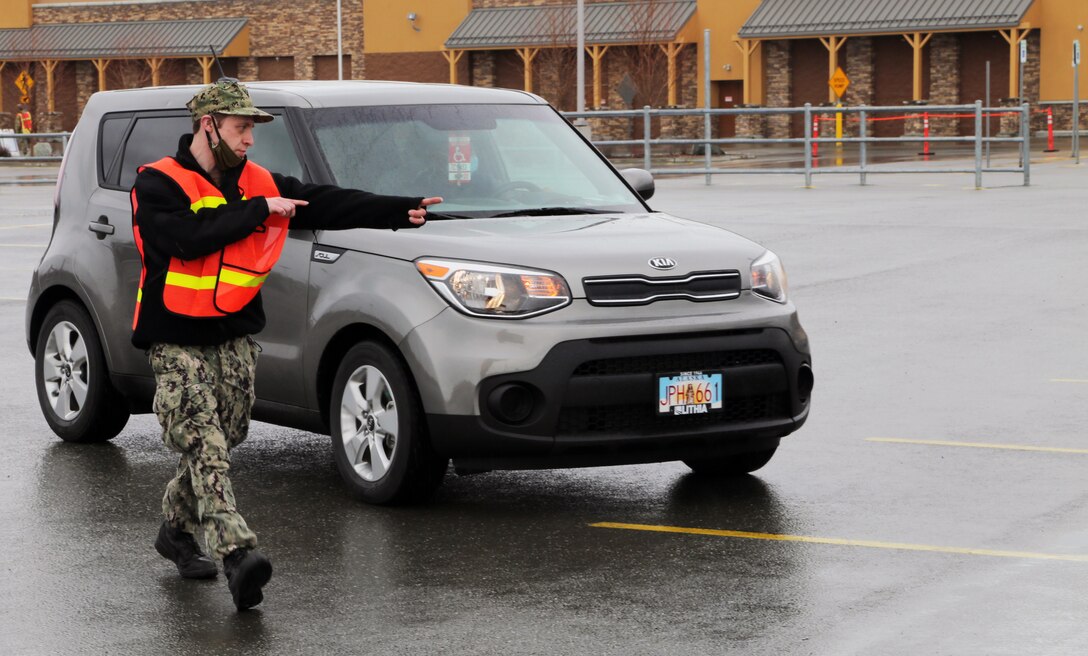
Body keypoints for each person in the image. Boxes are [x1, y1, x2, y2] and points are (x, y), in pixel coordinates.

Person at [131, 79, 441, 611]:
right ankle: (237, 554)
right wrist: (260, 211)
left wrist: (396, 208)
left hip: (233, 336)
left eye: (252, 129)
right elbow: (186, 237)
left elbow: (319, 202)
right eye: (241, 128)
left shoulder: (257, 181)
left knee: (225, 438)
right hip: (175, 338)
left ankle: (174, 531)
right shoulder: (157, 182)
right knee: (203, 441)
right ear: (209, 126)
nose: (251, 139)